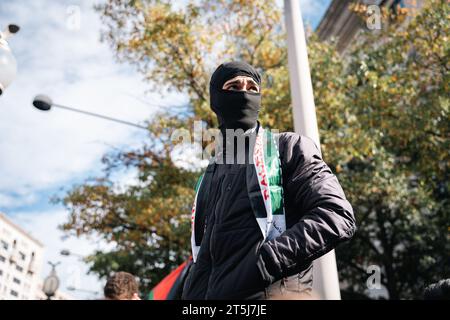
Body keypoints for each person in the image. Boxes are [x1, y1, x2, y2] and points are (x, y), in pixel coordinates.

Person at [181, 61, 356, 300]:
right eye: (234, 86)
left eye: (252, 88)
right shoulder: (208, 177)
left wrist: (265, 263)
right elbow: (203, 259)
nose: (244, 93)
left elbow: (336, 215)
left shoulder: (288, 147)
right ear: (216, 100)